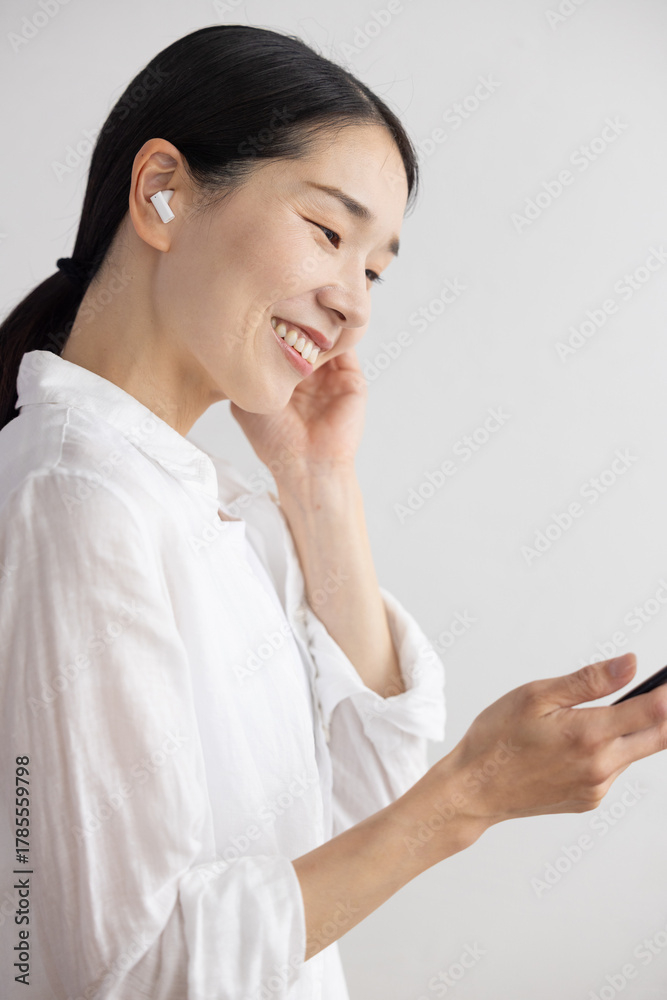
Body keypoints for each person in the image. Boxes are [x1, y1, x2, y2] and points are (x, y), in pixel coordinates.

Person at [0, 22, 665, 1000]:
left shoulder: (197, 503)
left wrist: (319, 484)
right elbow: (130, 973)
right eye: (328, 232)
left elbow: (355, 810)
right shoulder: (77, 498)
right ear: (161, 192)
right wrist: (472, 795)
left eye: (375, 269)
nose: (356, 304)